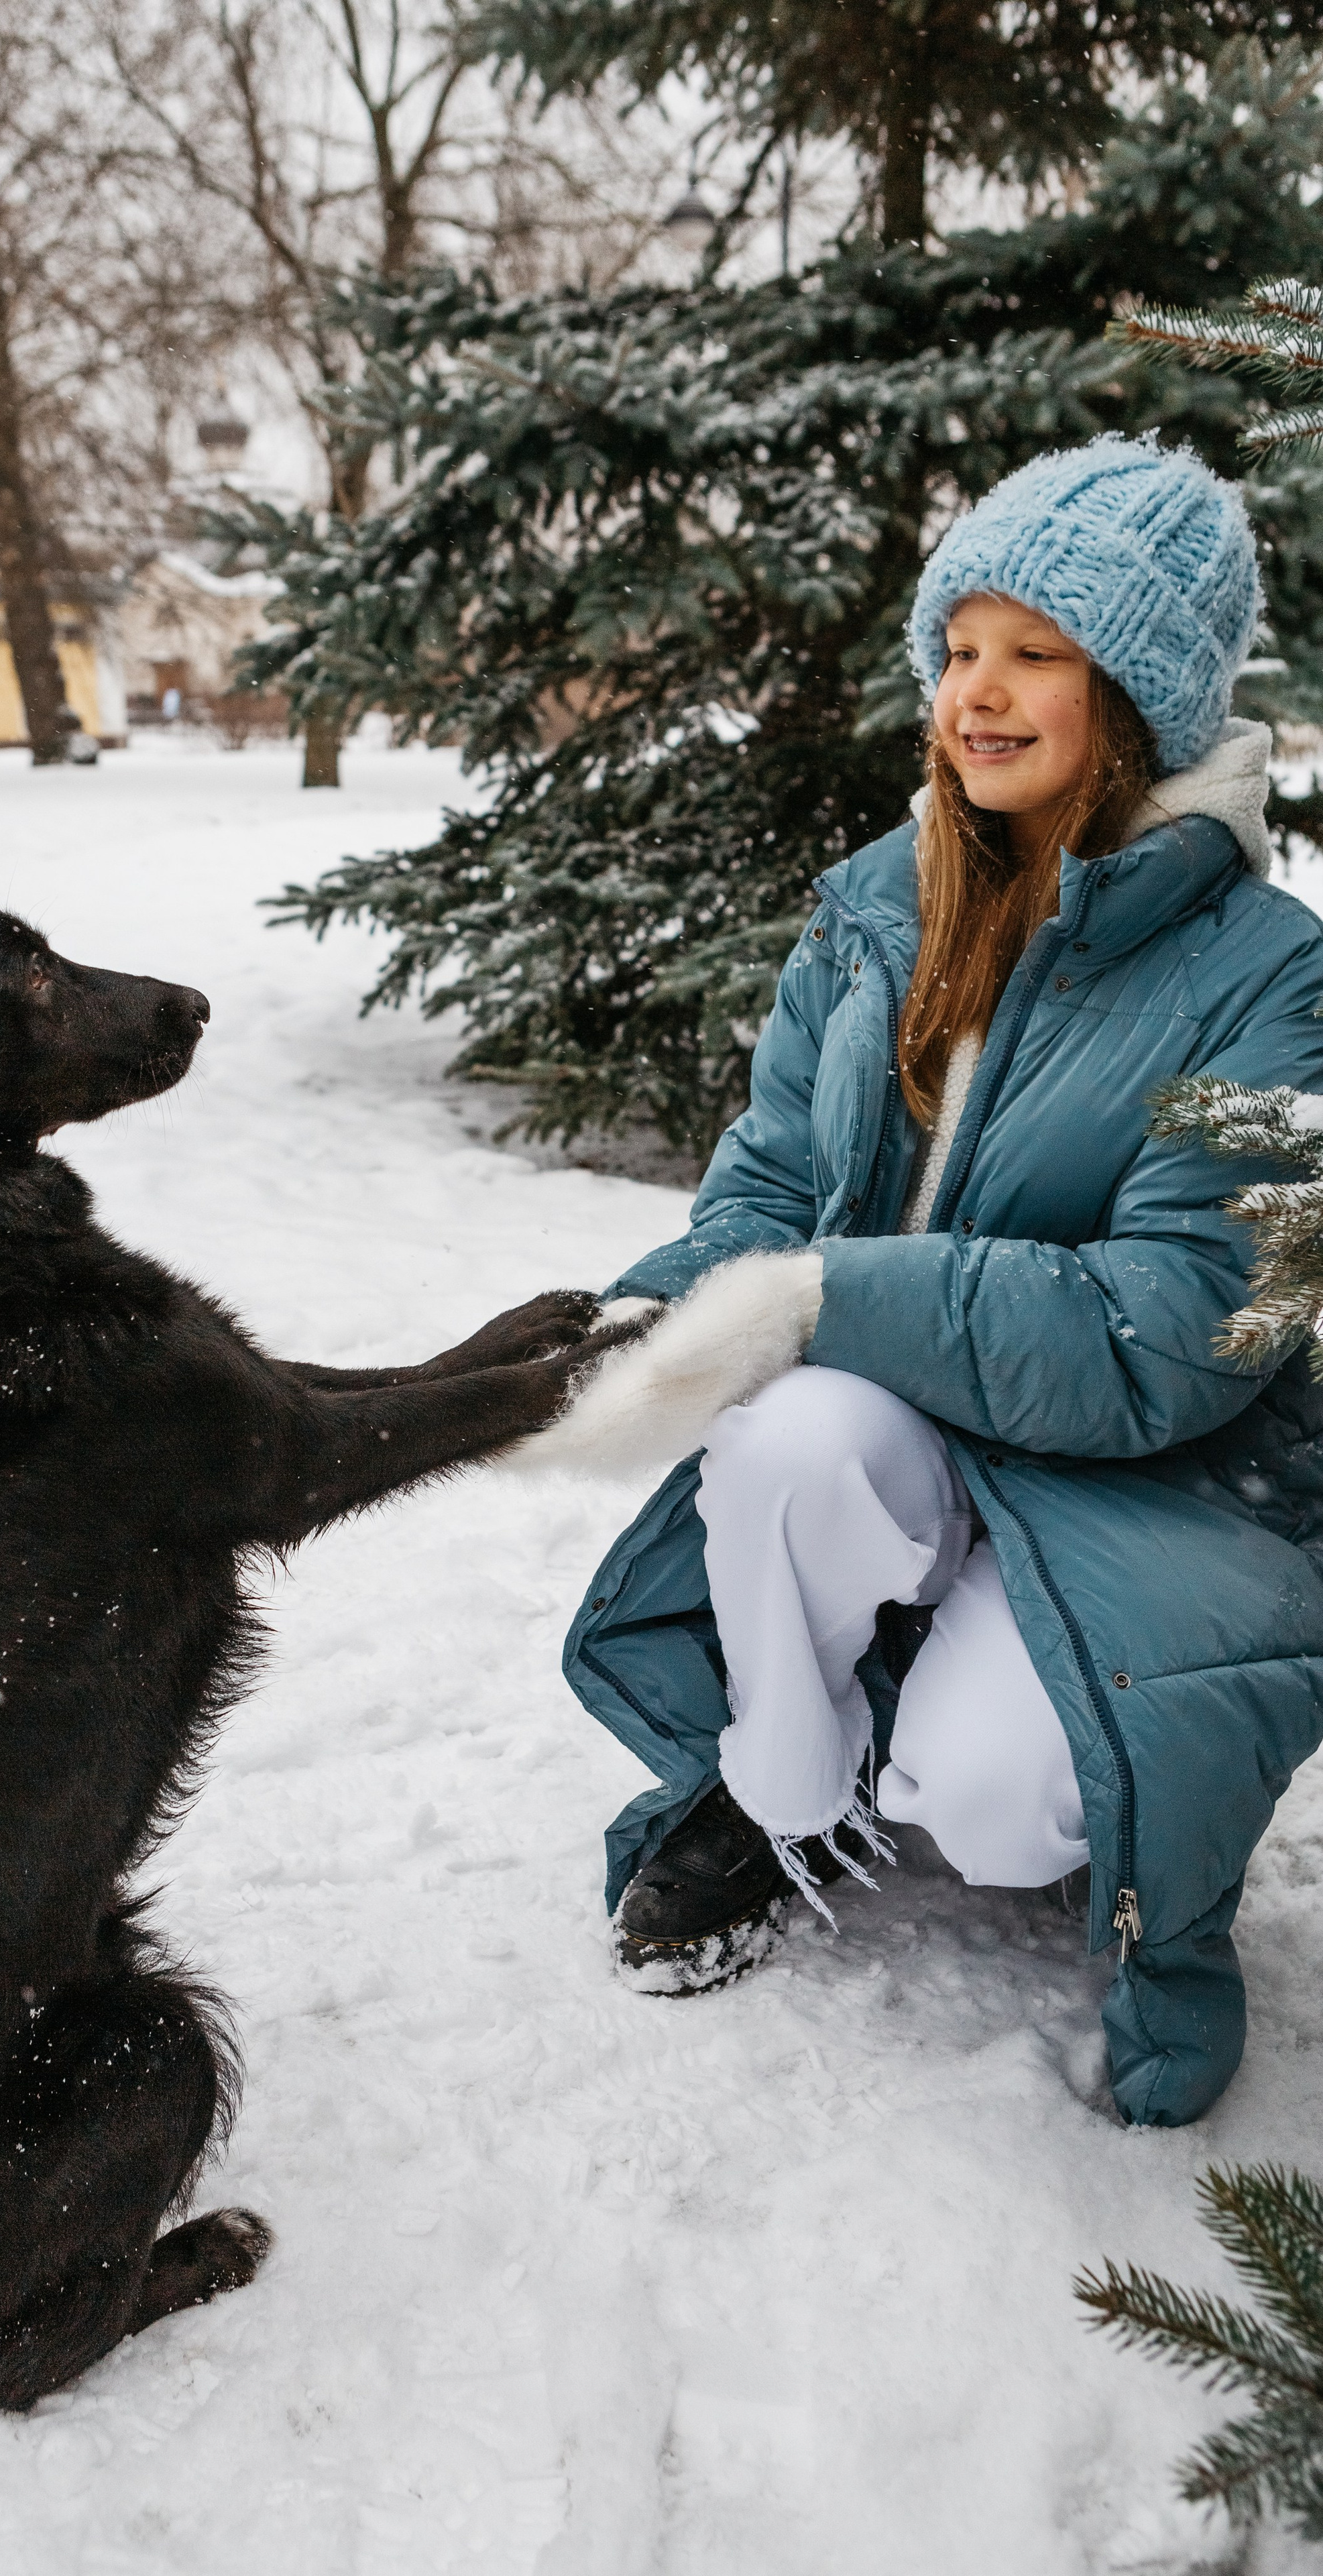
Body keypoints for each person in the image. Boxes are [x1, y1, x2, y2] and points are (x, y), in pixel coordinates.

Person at [561, 433, 1323, 2129]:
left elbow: (1169, 1336)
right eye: (958, 647)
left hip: (1142, 1473)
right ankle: (778, 1782)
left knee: (990, 1801)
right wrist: (643, 1314)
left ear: (1135, 694)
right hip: (898, 1430)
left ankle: (1055, 1768)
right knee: (787, 1437)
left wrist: (817, 1294)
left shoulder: (1275, 979)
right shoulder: (877, 907)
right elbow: (770, 1185)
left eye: (1033, 653)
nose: (974, 694)